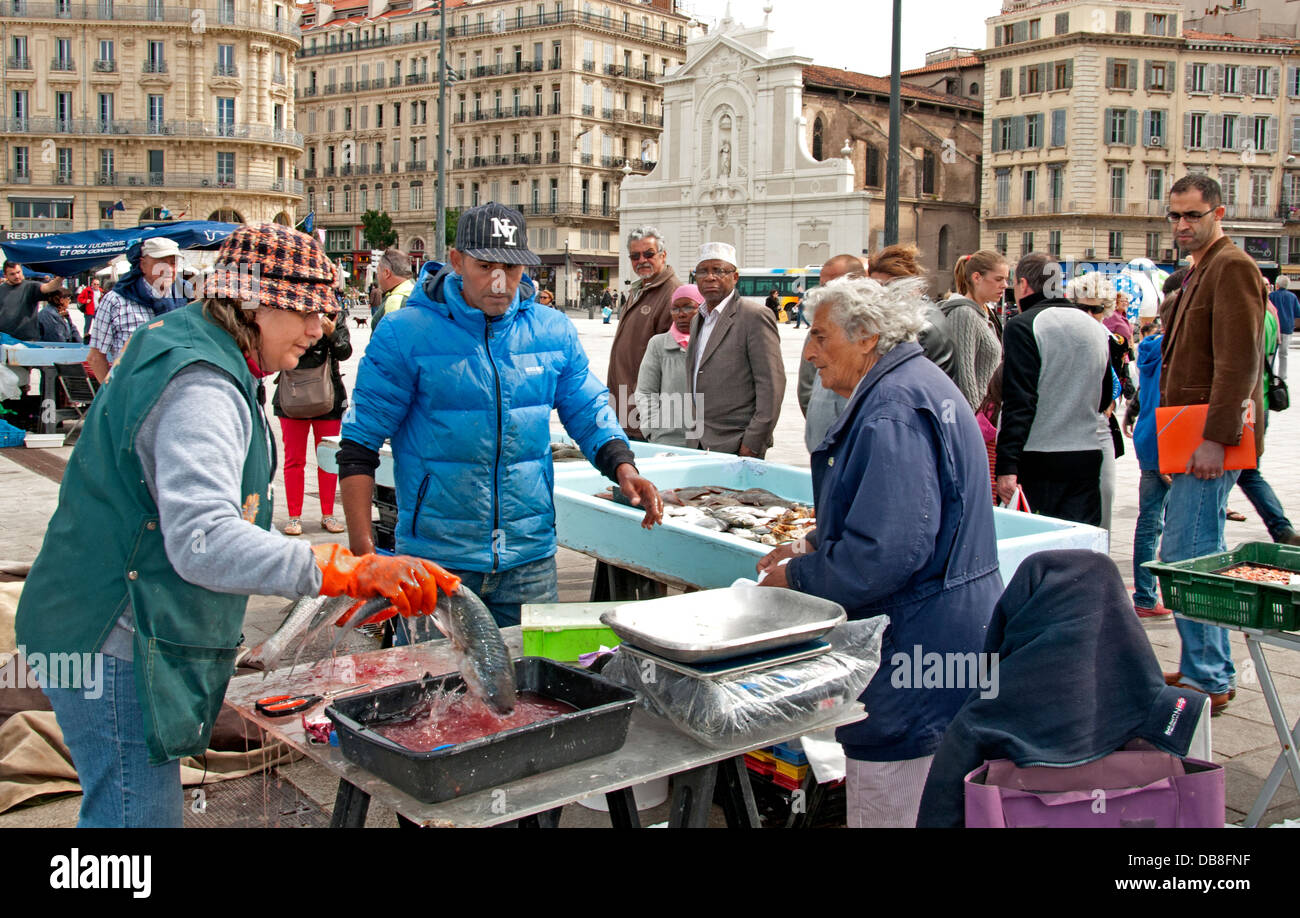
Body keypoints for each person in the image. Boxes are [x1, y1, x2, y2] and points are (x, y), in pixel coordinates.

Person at [14, 223, 456, 828]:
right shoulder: (203, 384)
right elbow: (204, 542)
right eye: (301, 311)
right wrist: (343, 568)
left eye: (322, 312)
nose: (318, 328)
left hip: (106, 618)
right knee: (134, 820)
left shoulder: (200, 345)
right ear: (248, 301)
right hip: (111, 637)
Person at [337, 203, 664, 630]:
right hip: (436, 558)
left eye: (510, 268)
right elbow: (359, 446)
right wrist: (364, 551)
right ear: (456, 261)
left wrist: (623, 466)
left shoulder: (552, 330)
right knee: (430, 686)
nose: (499, 281)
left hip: (529, 559)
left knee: (528, 686)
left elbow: (587, 408)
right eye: (485, 265)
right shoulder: (403, 334)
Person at [757, 275, 1001, 828]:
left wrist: (798, 576)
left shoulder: (891, 406)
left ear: (866, 336)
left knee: (899, 800)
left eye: (820, 336)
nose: (811, 352)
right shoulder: (909, 385)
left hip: (919, 640)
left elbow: (890, 551)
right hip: (945, 630)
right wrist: (810, 543)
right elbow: (894, 512)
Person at [1160, 174, 1267, 716]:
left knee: (1185, 558)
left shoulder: (1233, 267)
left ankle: (1210, 675)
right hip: (1189, 437)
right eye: (1175, 215)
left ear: (1218, 213)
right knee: (1193, 556)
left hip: (1209, 440)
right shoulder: (1203, 269)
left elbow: (1239, 363)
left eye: (1192, 215)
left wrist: (1214, 441)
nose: (1182, 225)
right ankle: (1210, 667)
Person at [995, 253, 1111, 526]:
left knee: (1037, 549)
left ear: (1023, 284)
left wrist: (1006, 466)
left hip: (1039, 457)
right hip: (1086, 454)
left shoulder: (1025, 326)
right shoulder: (1094, 326)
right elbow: (1104, 395)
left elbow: (1019, 400)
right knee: (1076, 547)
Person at [684, 242, 785, 457]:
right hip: (699, 442)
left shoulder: (754, 316)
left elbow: (772, 385)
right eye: (703, 271)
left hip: (737, 443)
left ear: (735, 277)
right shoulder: (698, 319)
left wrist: (753, 442)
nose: (710, 277)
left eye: (718, 270)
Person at [1123, 273, 1185, 618]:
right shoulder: (1177, 351)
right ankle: (1150, 596)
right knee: (1164, 523)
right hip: (1170, 440)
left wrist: (1131, 412)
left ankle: (1145, 593)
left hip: (1150, 437)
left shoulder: (1149, 347)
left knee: (1149, 520)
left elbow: (1147, 392)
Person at [274, 302, 353, 537]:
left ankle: (328, 514)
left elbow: (345, 351)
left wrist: (331, 333)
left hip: (328, 396)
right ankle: (294, 516)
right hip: (292, 395)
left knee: (327, 458)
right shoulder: (288, 314)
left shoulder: (334, 316)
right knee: (294, 460)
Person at [1066, 271, 1127, 533]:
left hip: (1101, 425)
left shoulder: (1114, 342)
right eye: (1083, 308)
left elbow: (1118, 385)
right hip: (1068, 427)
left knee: (1105, 496)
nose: (1090, 315)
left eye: (1098, 309)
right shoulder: (1064, 338)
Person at [607, 226, 680, 440]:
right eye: (635, 256)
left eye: (649, 254)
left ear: (663, 255)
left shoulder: (672, 294)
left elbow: (672, 366)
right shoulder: (641, 289)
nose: (642, 260)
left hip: (643, 414)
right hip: (624, 404)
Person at [87, 237, 187, 382]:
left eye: (173, 263)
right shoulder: (116, 300)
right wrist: (113, 396)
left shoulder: (184, 299)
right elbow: (95, 357)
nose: (168, 269)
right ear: (143, 265)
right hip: (132, 392)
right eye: (161, 262)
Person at [635, 284, 702, 446]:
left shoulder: (713, 344)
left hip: (710, 442)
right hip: (668, 440)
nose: (681, 314)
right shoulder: (658, 344)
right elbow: (645, 391)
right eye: (675, 309)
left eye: (688, 307)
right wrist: (652, 428)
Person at [941, 251, 1007, 410]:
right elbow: (964, 379)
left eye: (1006, 279)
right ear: (977, 278)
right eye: (998, 279)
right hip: (974, 418)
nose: (1005, 285)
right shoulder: (963, 314)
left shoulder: (981, 314)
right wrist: (976, 423)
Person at [0, 260, 64, 341]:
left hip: (28, 340)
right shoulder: (1, 290)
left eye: (18, 272)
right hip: (4, 341)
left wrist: (61, 276)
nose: (17, 276)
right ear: (5, 275)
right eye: (12, 274)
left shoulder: (30, 286)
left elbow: (49, 287)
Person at [370, 247, 414, 329]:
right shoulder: (413, 290)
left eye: (378, 272)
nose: (377, 277)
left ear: (386, 273)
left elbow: (390, 338)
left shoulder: (396, 301)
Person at [1270, 275, 1297, 379]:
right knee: (1284, 354)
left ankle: (1271, 374)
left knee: (1272, 353)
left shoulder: (1272, 296)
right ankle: (1282, 376)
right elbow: (1297, 312)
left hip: (1274, 328)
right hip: (1287, 328)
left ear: (1277, 285)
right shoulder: (1293, 297)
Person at [77, 277, 102, 342]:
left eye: (97, 284)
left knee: (98, 325)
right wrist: (85, 301)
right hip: (89, 311)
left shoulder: (101, 291)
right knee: (88, 325)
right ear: (92, 284)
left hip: (97, 311)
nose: (96, 286)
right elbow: (79, 298)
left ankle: (97, 337)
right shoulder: (86, 290)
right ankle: (85, 338)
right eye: (95, 284)